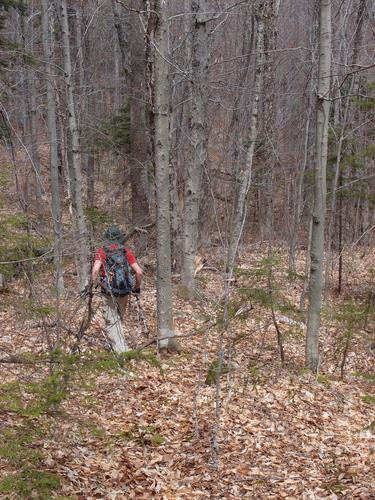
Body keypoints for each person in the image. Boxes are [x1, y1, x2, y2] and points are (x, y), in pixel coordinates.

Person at [91, 225, 143, 352]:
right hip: (124, 290)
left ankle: (120, 350)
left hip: (108, 291)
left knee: (112, 320)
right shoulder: (125, 252)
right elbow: (139, 272)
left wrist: (95, 284)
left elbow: (95, 270)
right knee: (119, 318)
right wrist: (137, 287)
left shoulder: (102, 251)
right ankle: (117, 345)